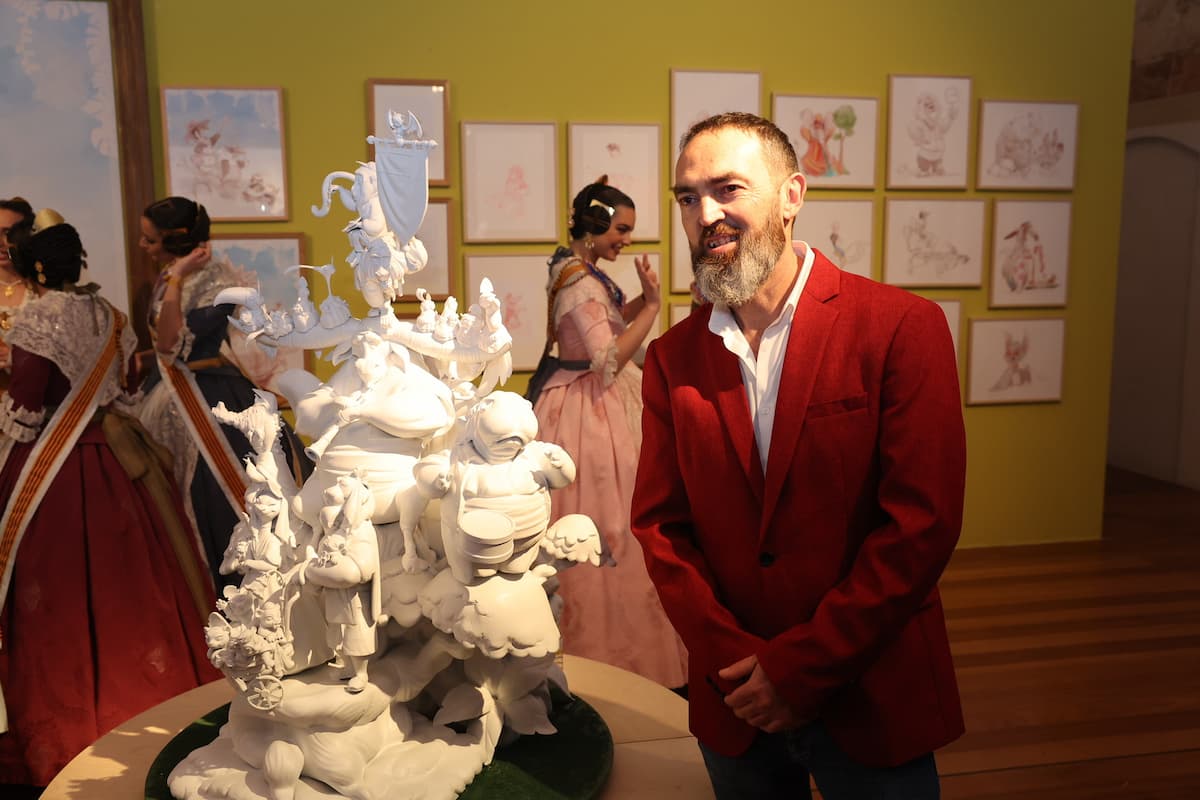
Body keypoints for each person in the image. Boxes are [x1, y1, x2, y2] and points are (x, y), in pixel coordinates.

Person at [631, 112, 966, 799]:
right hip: (734, 700)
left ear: (792, 195)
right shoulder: (672, 358)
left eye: (728, 189)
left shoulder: (901, 328)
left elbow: (921, 525)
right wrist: (735, 663)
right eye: (688, 198)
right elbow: (661, 529)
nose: (706, 214)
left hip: (870, 691)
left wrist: (798, 669)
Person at [0, 209, 219, 790]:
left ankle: (72, 727)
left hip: (55, 470)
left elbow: (27, 409)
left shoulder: (36, 318)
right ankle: (153, 711)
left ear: (35, 269)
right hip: (117, 460)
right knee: (135, 587)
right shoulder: (108, 313)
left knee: (55, 598)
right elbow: (121, 384)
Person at [531, 177, 687, 689]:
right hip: (588, 410)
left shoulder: (578, 272)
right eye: (620, 229)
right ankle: (603, 652)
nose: (626, 239)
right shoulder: (581, 283)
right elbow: (606, 358)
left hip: (584, 399)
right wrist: (654, 308)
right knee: (608, 516)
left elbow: (609, 327)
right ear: (595, 225)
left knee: (615, 515)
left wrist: (643, 300)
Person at [136, 196, 309, 591]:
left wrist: (178, 277)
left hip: (208, 395)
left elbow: (170, 344)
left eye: (150, 240)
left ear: (175, 240)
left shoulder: (218, 284)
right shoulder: (168, 274)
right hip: (171, 388)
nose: (143, 246)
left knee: (220, 490)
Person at [0, 198, 36, 391]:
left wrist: (17, 359)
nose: (1, 242)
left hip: (34, 400)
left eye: (8, 233)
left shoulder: (43, 292)